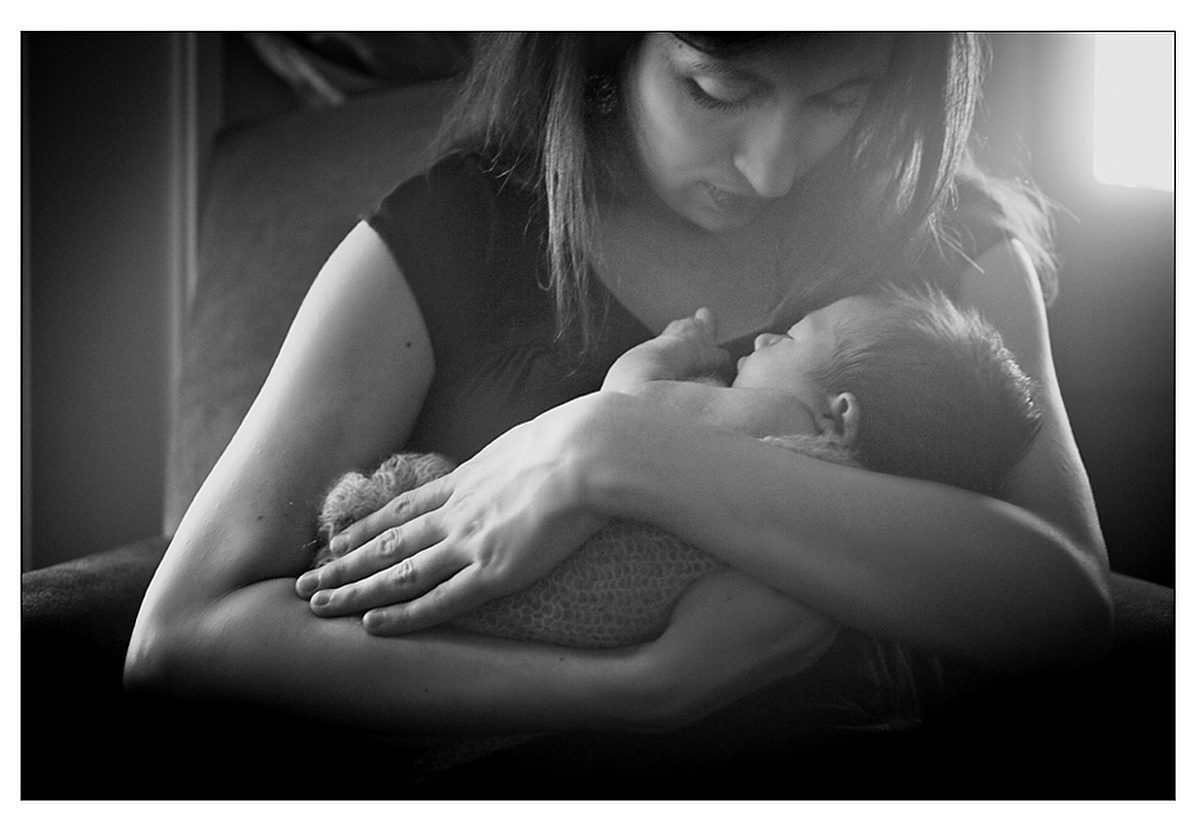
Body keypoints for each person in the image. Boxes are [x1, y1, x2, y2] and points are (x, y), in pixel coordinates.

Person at [126, 33, 1112, 742]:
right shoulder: (451, 236)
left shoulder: (952, 253)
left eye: (839, 98)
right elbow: (186, 634)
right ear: (607, 48)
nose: (771, 169)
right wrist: (641, 689)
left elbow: (1066, 609)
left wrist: (614, 451)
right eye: (717, 89)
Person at [308, 288, 1042, 653]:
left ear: (839, 416)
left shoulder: (771, 428)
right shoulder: (874, 525)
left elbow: (627, 413)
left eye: (791, 337)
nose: (763, 340)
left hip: (565, 585)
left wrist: (656, 356)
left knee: (415, 499)